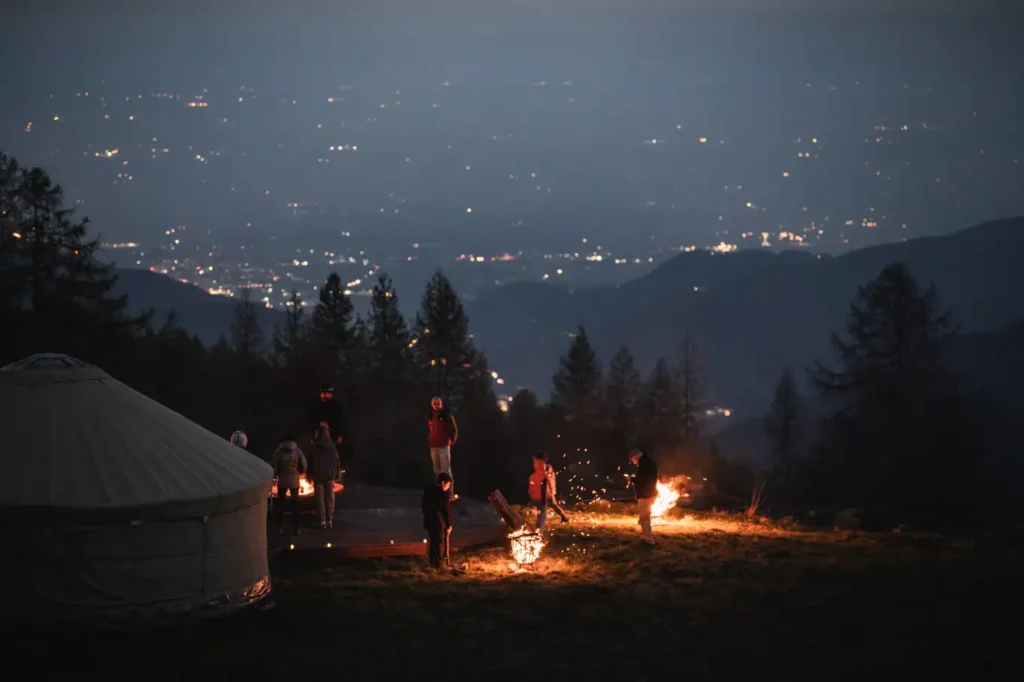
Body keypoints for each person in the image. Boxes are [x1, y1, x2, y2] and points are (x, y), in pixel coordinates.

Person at [271, 435, 308, 536]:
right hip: (294, 481)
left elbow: (274, 467)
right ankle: (297, 528)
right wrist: (299, 472)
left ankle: (279, 527)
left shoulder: (278, 452)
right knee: (295, 504)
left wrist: (275, 476)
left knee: (280, 504)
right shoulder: (298, 451)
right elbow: (304, 465)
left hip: (282, 481)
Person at [307, 424, 341, 530]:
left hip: (318, 476)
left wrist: (309, 475)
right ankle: (330, 520)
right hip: (330, 475)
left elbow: (310, 462)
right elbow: (336, 461)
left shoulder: (313, 447)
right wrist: (337, 474)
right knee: (330, 498)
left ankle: (322, 521)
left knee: (320, 500)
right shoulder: (332, 446)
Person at [528, 450, 569, 529]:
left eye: (536, 459)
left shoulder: (545, 468)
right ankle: (564, 517)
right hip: (545, 492)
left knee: (543, 509)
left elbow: (544, 481)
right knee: (553, 505)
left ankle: (539, 527)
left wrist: (543, 497)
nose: (534, 461)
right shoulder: (543, 467)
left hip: (546, 493)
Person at [421, 472, 453, 571]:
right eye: (448, 485)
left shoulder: (428, 491)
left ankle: (432, 562)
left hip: (429, 520)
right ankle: (439, 565)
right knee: (440, 543)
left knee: (432, 541)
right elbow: (446, 511)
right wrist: (449, 525)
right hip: (439, 522)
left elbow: (423, 506)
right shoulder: (443, 495)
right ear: (443, 483)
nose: (448, 488)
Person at [629, 448, 658, 546]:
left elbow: (642, 480)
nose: (633, 462)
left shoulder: (644, 464)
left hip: (646, 494)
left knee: (644, 517)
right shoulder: (647, 462)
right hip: (649, 493)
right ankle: (645, 536)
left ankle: (648, 539)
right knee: (645, 517)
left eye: (632, 459)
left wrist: (631, 479)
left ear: (635, 456)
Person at [426, 396, 458, 486]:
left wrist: (450, 440)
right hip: (433, 445)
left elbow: (453, 429)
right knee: (437, 470)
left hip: (444, 445)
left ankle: (449, 491)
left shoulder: (446, 415)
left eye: (438, 403)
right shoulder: (430, 415)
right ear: (431, 405)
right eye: (434, 404)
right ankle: (439, 490)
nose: (436, 405)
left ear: (441, 404)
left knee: (446, 470)